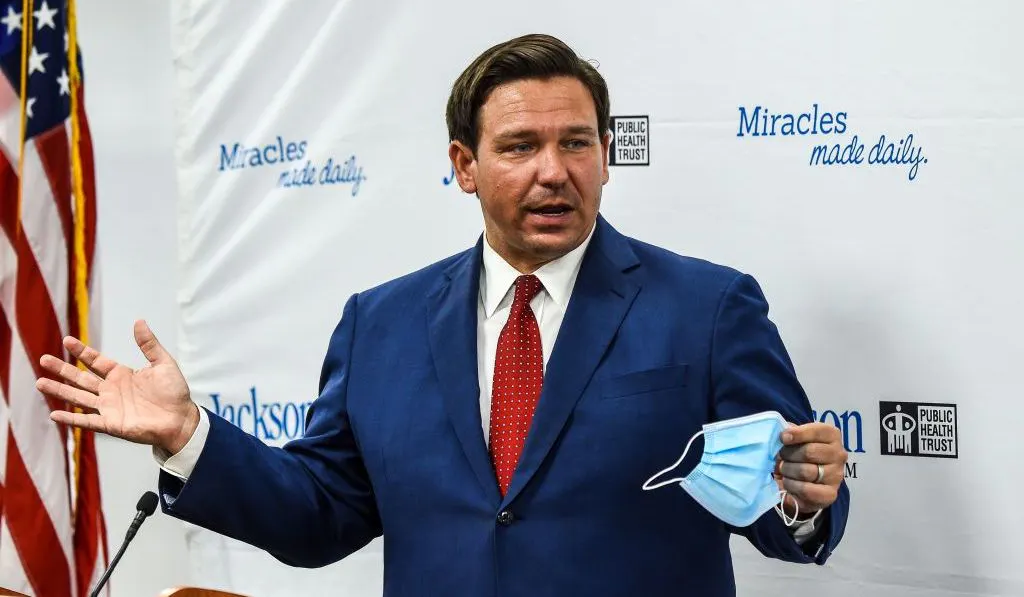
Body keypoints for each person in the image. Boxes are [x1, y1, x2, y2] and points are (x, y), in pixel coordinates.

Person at [37, 33, 849, 596]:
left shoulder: (709, 308)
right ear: (464, 164)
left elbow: (788, 495)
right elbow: (321, 512)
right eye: (520, 146)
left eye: (576, 143)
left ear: (607, 153)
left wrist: (805, 501)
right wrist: (190, 436)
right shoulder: (381, 324)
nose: (553, 171)